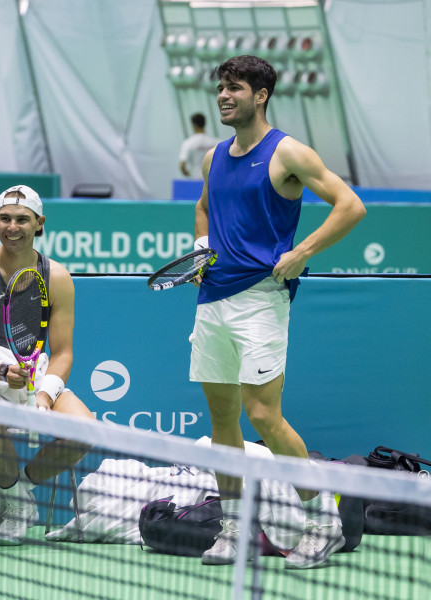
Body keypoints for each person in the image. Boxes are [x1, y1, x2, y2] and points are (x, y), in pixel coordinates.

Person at [190, 56, 366, 569]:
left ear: (261, 95)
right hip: (211, 298)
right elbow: (204, 206)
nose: (224, 96)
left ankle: (322, 522)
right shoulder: (212, 156)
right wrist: (202, 246)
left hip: (261, 298)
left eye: (235, 88)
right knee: (223, 419)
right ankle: (232, 527)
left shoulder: (287, 151)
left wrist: (303, 251)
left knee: (263, 416)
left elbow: (349, 204)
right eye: (221, 88)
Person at [0, 184, 94, 546]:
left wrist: (43, 394)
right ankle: (12, 500)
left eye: (22, 220)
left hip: (33, 373)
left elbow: (63, 353)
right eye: (5, 219)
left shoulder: (56, 277)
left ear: (39, 223)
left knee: (86, 431)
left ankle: (17, 489)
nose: (13, 227)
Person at [179, 112, 222, 179]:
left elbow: (182, 166)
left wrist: (188, 175)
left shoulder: (188, 143)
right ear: (204, 123)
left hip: (196, 179)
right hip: (213, 179)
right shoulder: (217, 142)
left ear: (194, 125)